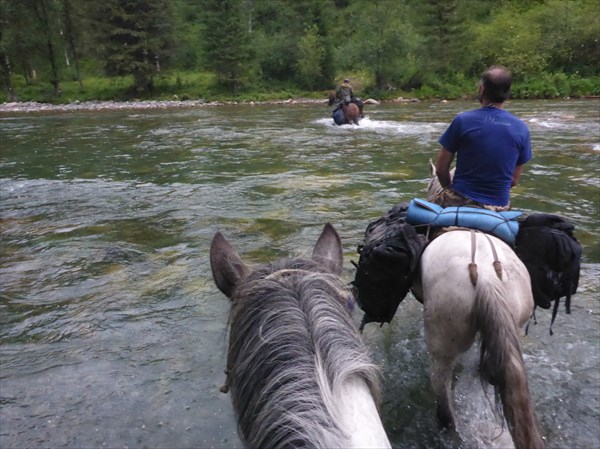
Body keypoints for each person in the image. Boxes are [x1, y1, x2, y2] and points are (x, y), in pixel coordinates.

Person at [431, 65, 532, 212]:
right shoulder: (522, 128)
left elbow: (440, 170)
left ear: (482, 89)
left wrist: (449, 189)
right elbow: (514, 180)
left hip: (460, 201)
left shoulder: (463, 120)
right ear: (507, 94)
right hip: (498, 207)